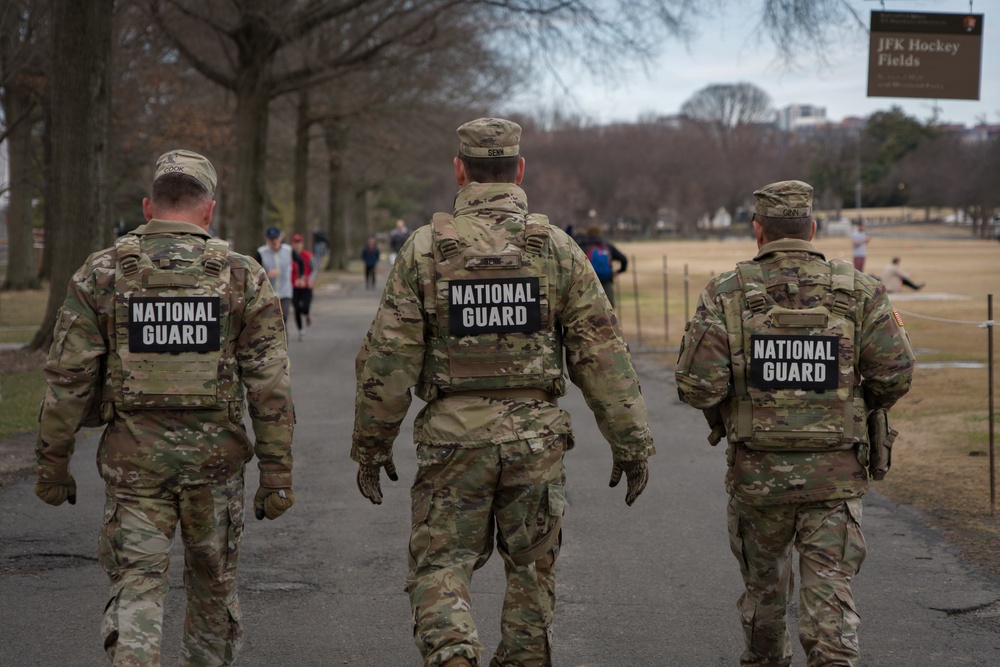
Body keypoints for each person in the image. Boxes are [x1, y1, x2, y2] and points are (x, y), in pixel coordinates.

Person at [351, 118, 654, 667]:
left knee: (441, 563)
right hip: (535, 441)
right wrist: (630, 442)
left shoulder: (424, 248)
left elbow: (389, 360)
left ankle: (453, 655)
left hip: (452, 440)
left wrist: (372, 445)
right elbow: (601, 355)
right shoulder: (557, 248)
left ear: (459, 169)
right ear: (519, 170)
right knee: (533, 565)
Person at [34, 149, 296, 667]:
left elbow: (68, 379)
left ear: (150, 207)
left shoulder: (102, 274)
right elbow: (270, 386)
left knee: (136, 583)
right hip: (215, 468)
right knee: (212, 586)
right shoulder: (242, 276)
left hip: (135, 468)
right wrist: (276, 474)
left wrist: (52, 464)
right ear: (208, 210)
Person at [674, 180, 914, 667]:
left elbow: (698, 386)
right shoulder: (860, 290)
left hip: (758, 478)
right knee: (830, 594)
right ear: (813, 228)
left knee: (764, 594)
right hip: (835, 477)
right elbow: (895, 373)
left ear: (758, 232)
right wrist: (858, 401)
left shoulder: (728, 292)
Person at [255, 226, 302, 326]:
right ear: (267, 239)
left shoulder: (288, 250)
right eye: (271, 239)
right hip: (269, 294)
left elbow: (300, 262)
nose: (274, 241)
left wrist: (300, 278)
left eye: (276, 238)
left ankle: (284, 340)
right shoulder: (261, 253)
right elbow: (254, 273)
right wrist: (266, 275)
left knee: (282, 318)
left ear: (280, 238)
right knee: (270, 322)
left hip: (285, 292)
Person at [575, 224, 628, 307]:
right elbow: (624, 259)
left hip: (588, 283)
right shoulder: (607, 246)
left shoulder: (582, 247)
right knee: (609, 308)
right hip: (606, 282)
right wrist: (619, 271)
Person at [290, 233, 316, 340]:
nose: (297, 245)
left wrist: (309, 280)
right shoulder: (289, 256)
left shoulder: (308, 256)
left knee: (305, 308)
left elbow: (314, 269)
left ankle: (307, 314)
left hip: (306, 287)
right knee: (296, 308)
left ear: (302, 244)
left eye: (299, 243)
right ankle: (301, 331)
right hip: (293, 286)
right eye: (295, 243)